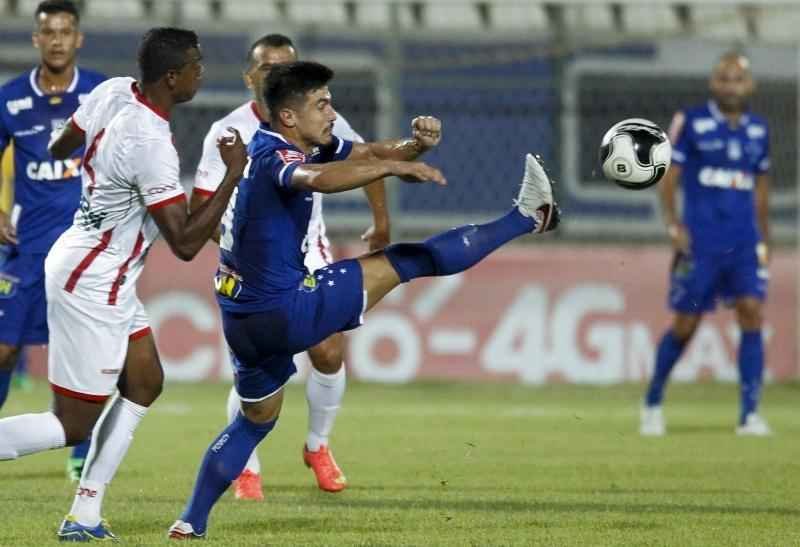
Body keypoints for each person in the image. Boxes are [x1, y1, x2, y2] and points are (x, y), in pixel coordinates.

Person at [168, 60, 559, 539]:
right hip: (282, 309)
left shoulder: (298, 142)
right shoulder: (273, 156)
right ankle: (528, 216)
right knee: (408, 260)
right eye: (322, 104)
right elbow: (317, 179)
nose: (332, 113)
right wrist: (395, 167)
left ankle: (190, 520)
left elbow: (365, 150)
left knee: (254, 421)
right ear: (289, 116)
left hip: (240, 318)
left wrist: (413, 145)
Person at [0, 27, 248, 542]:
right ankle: (81, 516)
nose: (203, 73)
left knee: (144, 381)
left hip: (97, 262)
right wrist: (232, 176)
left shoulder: (114, 90)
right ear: (173, 77)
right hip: (95, 279)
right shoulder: (149, 142)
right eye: (197, 66)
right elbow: (182, 242)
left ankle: (85, 515)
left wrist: (104, 174)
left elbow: (60, 141)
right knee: (70, 425)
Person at [192, 33, 390, 500]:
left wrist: (381, 223)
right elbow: (201, 203)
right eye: (267, 67)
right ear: (249, 78)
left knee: (328, 351)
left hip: (308, 250)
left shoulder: (316, 119)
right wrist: (235, 246)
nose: (277, 73)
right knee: (259, 366)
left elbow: (367, 158)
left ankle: (317, 446)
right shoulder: (227, 130)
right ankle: (247, 469)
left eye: (287, 65)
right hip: (250, 264)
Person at [640, 51, 771, 437]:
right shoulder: (692, 121)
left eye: (737, 79)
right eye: (724, 78)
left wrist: (765, 239)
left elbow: (761, 188)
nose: (731, 85)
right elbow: (668, 176)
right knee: (686, 323)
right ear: (713, 84)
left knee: (751, 312)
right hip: (701, 242)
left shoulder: (759, 129)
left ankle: (749, 414)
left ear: (750, 86)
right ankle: (652, 401)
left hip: (744, 242)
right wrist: (672, 225)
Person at [0, 0, 104, 481]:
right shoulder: (11, 97)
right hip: (25, 248)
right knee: (3, 349)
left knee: (86, 353)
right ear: (36, 39)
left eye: (66, 31)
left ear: (78, 37)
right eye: (49, 31)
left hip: (86, 249)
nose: (58, 39)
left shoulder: (102, 93)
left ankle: (81, 446)